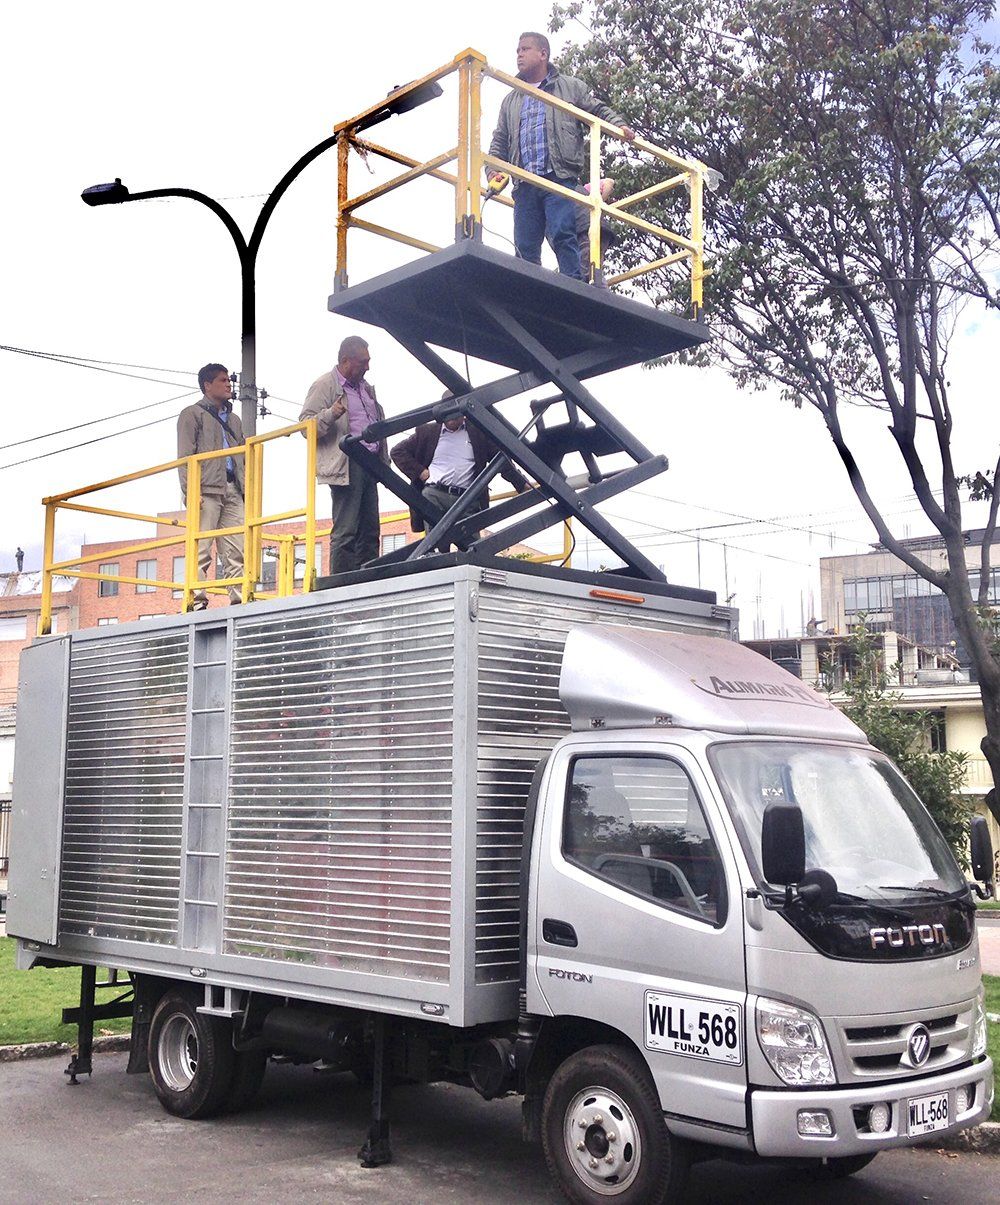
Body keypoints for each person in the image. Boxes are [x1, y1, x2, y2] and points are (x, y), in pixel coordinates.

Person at [487, 31, 635, 279]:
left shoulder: (569, 87)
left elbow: (596, 109)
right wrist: (491, 169)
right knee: (524, 244)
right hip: (524, 182)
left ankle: (572, 284)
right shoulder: (511, 99)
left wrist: (619, 125)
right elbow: (500, 140)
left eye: (525, 49)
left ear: (543, 54)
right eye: (517, 50)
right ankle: (528, 290)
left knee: (562, 232)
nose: (519, 55)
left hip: (558, 175)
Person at [300, 335, 389, 574]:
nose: (367, 366)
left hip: (371, 462)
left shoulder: (367, 388)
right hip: (347, 462)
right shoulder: (325, 385)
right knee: (347, 529)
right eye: (363, 362)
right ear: (346, 361)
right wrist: (330, 414)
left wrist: (383, 460)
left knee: (370, 529)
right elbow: (305, 426)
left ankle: (367, 578)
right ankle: (342, 581)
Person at [391, 401, 528, 545]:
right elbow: (397, 451)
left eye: (455, 417)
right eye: (448, 417)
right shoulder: (427, 431)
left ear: (464, 414)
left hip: (467, 498)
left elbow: (500, 460)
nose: (451, 420)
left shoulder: (478, 433)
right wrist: (420, 471)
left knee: (471, 546)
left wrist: (520, 483)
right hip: (434, 494)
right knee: (436, 545)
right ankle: (437, 561)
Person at [177, 364, 245, 608]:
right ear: (207, 385)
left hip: (234, 489)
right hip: (206, 489)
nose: (229, 384)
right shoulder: (192, 414)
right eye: (222, 380)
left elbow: (243, 457)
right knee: (202, 549)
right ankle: (197, 600)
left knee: (236, 548)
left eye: (229, 380)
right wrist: (190, 491)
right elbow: (185, 458)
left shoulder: (234, 420)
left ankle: (239, 598)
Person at [574, 178, 619, 285]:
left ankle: (599, 294)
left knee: (588, 271)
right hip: (600, 228)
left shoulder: (562, 189)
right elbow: (609, 182)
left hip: (586, 229)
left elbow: (609, 182)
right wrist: (598, 204)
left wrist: (598, 203)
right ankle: (601, 292)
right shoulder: (586, 190)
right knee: (595, 267)